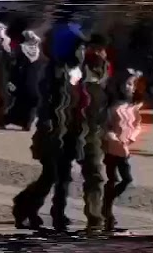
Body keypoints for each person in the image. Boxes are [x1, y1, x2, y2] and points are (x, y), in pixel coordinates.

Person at [12, 24, 87, 232]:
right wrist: (50, 129)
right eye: (78, 47)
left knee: (64, 175)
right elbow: (48, 103)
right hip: (53, 131)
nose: (82, 51)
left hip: (72, 128)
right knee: (51, 174)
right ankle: (24, 205)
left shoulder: (78, 70)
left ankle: (58, 213)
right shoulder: (53, 70)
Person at [76, 36, 118, 235]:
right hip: (73, 130)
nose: (100, 53)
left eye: (102, 50)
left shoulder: (106, 76)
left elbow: (111, 103)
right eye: (96, 49)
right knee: (54, 176)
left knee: (96, 174)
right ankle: (26, 205)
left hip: (95, 131)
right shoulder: (77, 74)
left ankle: (96, 218)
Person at [101, 71, 144, 236]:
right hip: (112, 147)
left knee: (126, 179)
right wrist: (112, 138)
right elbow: (106, 126)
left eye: (131, 84)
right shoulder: (113, 106)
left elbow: (137, 124)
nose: (128, 87)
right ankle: (107, 214)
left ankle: (106, 205)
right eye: (126, 83)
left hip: (124, 145)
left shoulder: (134, 107)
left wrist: (132, 137)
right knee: (114, 179)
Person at [8, 30, 44, 131]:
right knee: (29, 99)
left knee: (25, 99)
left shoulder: (21, 48)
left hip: (24, 77)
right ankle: (26, 122)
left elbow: (14, 63)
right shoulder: (36, 49)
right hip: (32, 77)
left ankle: (22, 121)